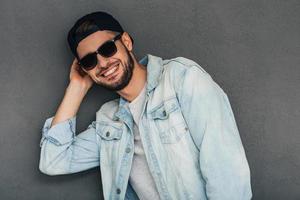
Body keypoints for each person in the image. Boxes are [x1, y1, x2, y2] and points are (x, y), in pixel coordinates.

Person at [39, 11, 252, 200]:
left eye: (107, 48)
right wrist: (77, 86)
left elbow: (228, 173)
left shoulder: (182, 79)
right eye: (89, 62)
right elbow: (54, 161)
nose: (102, 63)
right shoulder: (109, 120)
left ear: (126, 42)